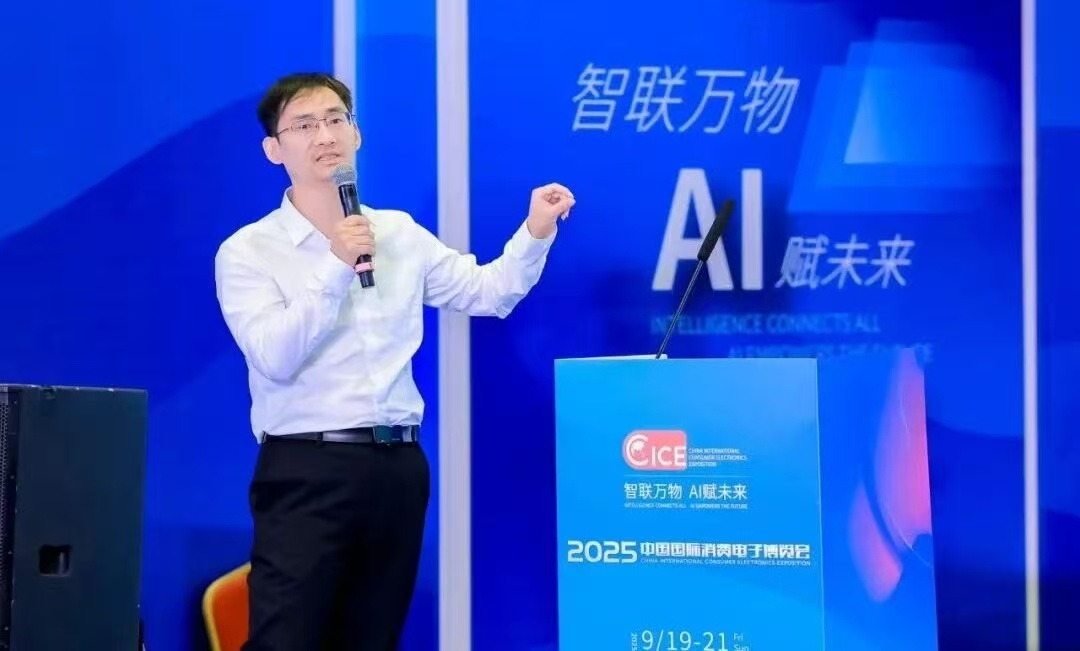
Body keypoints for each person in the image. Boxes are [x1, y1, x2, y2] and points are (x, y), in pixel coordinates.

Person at [213, 72, 575, 650]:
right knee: (288, 639)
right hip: (307, 466)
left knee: (373, 638)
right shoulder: (248, 251)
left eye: (335, 119)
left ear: (356, 135)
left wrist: (535, 232)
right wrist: (337, 265)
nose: (324, 135)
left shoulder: (399, 233)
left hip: (396, 467)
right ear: (274, 150)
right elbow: (275, 356)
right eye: (304, 125)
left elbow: (488, 293)